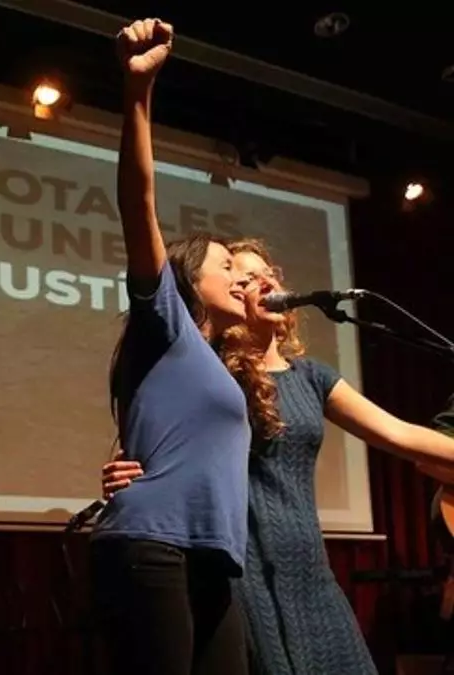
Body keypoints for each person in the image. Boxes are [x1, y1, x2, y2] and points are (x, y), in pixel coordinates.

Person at [101, 238, 454, 674]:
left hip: (310, 570)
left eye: (269, 275)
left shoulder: (312, 376)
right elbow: (156, 426)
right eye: (246, 278)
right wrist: (131, 466)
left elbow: (400, 434)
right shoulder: (213, 374)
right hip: (241, 571)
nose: (265, 283)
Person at [89, 17, 254, 675]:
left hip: (210, 557)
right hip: (152, 543)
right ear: (188, 280)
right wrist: (137, 93)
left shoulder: (217, 361)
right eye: (226, 266)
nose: (241, 278)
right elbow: (138, 203)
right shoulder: (168, 321)